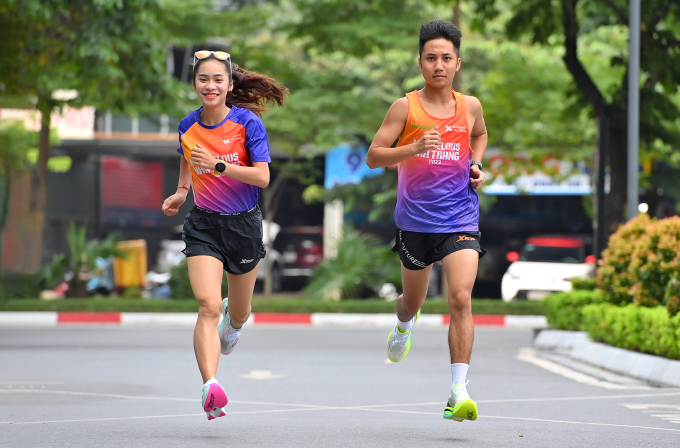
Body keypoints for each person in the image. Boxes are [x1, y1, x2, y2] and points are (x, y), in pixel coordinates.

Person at [365, 20, 488, 422]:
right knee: (412, 301)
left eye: (446, 58)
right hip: (415, 222)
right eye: (431, 57)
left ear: (458, 64)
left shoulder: (470, 106)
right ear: (420, 62)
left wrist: (477, 163)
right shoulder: (405, 107)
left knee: (460, 297)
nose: (439, 65)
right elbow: (374, 156)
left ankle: (458, 390)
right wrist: (413, 147)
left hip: (460, 218)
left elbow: (481, 135)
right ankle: (403, 324)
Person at [162, 50, 286, 420]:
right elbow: (188, 154)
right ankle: (210, 385)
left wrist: (219, 165)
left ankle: (234, 323)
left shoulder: (247, 124)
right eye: (204, 79)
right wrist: (183, 191)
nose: (210, 86)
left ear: (230, 85)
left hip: (244, 225)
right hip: (204, 224)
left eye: (218, 79)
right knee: (207, 305)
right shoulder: (187, 125)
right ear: (195, 84)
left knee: (238, 312)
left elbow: (262, 177)